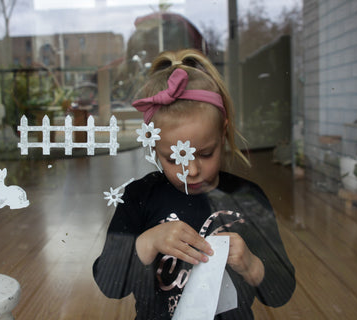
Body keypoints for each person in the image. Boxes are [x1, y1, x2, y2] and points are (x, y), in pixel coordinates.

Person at [93, 49, 295, 320]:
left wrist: (251, 264)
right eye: (175, 157)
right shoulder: (138, 197)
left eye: (205, 153)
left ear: (223, 132)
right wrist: (147, 242)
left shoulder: (248, 198)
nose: (193, 170)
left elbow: (282, 292)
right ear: (153, 145)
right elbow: (109, 284)